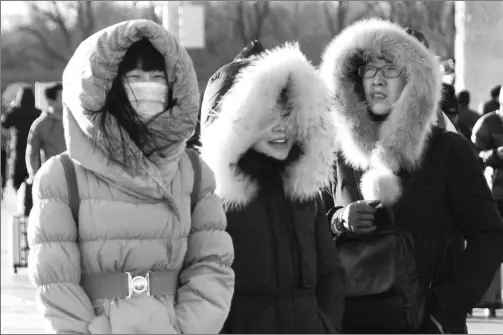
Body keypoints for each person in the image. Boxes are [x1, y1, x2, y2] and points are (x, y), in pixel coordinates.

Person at [27, 20, 234, 334]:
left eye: (156, 78)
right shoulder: (62, 175)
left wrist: (186, 329)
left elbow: (212, 264)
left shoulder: (192, 170)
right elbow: (55, 283)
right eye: (135, 78)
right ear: (108, 85)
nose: (147, 86)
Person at [319, 18, 503, 333]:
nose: (377, 80)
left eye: (390, 69)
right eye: (369, 70)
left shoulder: (448, 151)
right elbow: (314, 225)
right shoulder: (341, 156)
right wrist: (340, 218)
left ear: (412, 80)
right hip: (353, 322)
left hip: (426, 323)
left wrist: (446, 307)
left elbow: (489, 235)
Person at [200, 40, 345, 334]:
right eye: (266, 115)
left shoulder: (304, 193)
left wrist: (327, 326)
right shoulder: (214, 199)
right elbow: (205, 290)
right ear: (237, 124)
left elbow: (330, 274)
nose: (281, 127)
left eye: (287, 112)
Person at [471, 88, 503, 318]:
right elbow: (474, 156)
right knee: (493, 245)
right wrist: (497, 155)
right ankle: (491, 300)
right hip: (495, 194)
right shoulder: (487, 124)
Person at [0, 87, 41, 191]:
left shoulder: (16, 111)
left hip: (18, 147)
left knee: (18, 176)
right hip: (35, 147)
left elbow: (4, 122)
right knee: (33, 174)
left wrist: (13, 107)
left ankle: (19, 193)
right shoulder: (38, 112)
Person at [25, 82, 66, 182]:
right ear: (50, 100)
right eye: (62, 96)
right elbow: (32, 153)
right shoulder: (40, 124)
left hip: (77, 175)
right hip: (52, 177)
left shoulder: (74, 119)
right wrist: (33, 174)